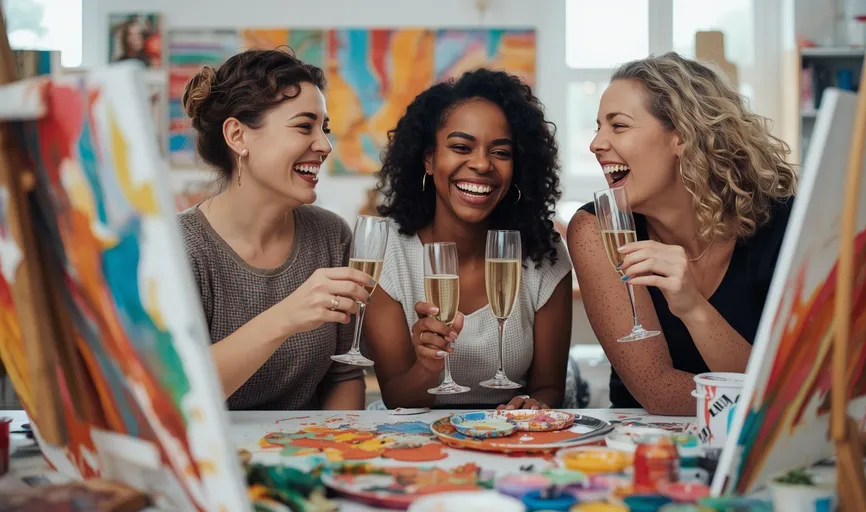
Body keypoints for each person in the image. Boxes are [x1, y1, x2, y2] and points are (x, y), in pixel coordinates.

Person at [568, 53, 797, 415]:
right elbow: (658, 390)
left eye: (619, 126)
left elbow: (786, 391)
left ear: (682, 138)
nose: (596, 143)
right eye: (598, 127)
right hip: (641, 450)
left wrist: (693, 308)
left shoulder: (784, 225)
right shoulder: (597, 229)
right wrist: (767, 399)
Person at [364, 69, 574, 411]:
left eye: (501, 152)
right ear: (429, 159)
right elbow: (396, 398)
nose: (481, 164)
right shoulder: (388, 253)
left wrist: (531, 406)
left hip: (509, 439)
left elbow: (549, 388)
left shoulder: (543, 253)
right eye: (461, 147)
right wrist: (428, 366)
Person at [178, 49, 373, 410]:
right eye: (304, 126)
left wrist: (333, 455)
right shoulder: (179, 248)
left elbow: (344, 374)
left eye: (324, 129)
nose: (325, 145)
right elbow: (178, 395)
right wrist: (286, 317)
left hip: (308, 456)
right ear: (238, 136)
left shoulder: (332, 235)